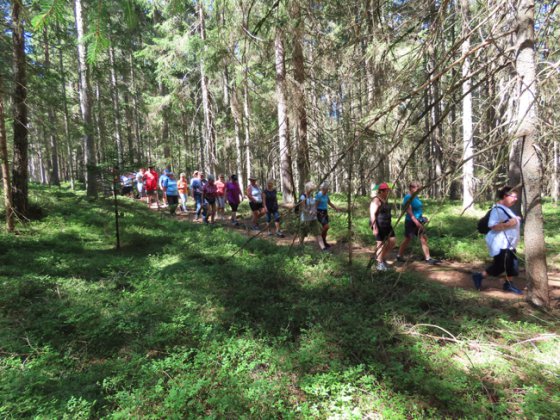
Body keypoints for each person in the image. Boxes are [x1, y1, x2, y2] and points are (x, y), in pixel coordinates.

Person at [472, 186, 523, 294]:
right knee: (500, 265)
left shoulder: (506, 209)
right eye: (514, 196)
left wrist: (515, 220)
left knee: (512, 264)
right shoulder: (497, 209)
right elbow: (492, 225)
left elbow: (508, 220)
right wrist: (510, 223)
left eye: (516, 197)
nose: (516, 199)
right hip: (500, 243)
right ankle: (479, 276)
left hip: (508, 243)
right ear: (505, 196)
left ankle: (508, 285)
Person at [396, 181, 440, 265]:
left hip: (418, 220)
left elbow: (417, 210)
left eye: (419, 188)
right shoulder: (408, 198)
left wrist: (422, 218)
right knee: (408, 239)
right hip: (411, 222)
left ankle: (428, 258)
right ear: (411, 188)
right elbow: (410, 212)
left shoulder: (415, 197)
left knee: (423, 238)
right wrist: (417, 223)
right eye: (416, 188)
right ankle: (399, 255)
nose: (418, 190)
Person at [370, 182, 396, 271]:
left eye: (388, 191)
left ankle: (381, 258)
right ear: (381, 191)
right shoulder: (376, 200)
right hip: (379, 224)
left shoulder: (385, 199)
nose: (388, 192)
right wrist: (374, 227)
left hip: (387, 224)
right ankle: (379, 264)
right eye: (387, 191)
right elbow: (372, 214)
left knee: (392, 241)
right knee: (380, 244)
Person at [299, 181, 328, 252]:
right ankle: (300, 247)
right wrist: (309, 212)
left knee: (318, 233)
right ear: (308, 189)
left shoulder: (311, 196)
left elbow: (314, 206)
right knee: (302, 234)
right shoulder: (303, 197)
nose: (312, 191)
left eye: (312, 190)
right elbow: (302, 208)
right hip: (305, 219)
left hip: (313, 219)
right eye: (311, 190)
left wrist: (315, 211)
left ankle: (323, 248)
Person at [315, 181, 340, 248]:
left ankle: (324, 242)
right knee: (326, 227)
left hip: (325, 212)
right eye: (326, 189)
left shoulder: (326, 195)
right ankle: (319, 237)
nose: (327, 191)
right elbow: (315, 205)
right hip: (319, 212)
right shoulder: (319, 195)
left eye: (327, 189)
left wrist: (336, 208)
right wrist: (314, 212)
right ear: (322, 189)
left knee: (326, 229)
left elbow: (329, 202)